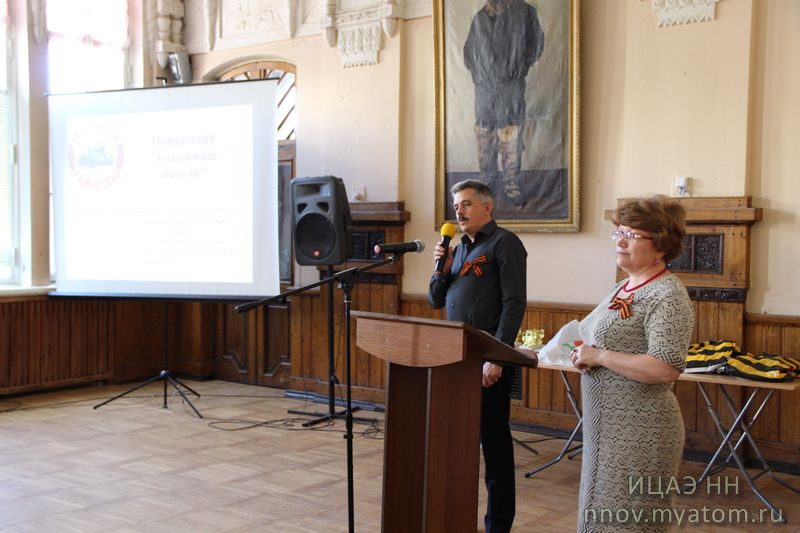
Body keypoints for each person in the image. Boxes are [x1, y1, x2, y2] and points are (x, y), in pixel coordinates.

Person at [569, 196, 695, 532]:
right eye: (619, 232)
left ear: (661, 247)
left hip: (642, 432)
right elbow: (604, 342)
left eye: (633, 235)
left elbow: (665, 368)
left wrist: (600, 357)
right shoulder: (623, 287)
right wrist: (584, 354)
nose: (621, 241)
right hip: (607, 430)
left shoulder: (667, 294)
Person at [428, 179, 527, 533]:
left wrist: (498, 358)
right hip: (455, 358)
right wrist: (442, 267)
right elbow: (435, 301)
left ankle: (498, 525)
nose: (459, 210)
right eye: (457, 205)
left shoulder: (505, 244)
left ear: (488, 207)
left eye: (466, 204)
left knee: (494, 445)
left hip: (488, 361)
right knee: (457, 441)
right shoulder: (457, 249)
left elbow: (514, 304)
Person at [463, 0, 545, 204]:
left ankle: (511, 184)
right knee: (485, 134)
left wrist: (518, 68)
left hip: (511, 87)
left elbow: (536, 44)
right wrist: (481, 77)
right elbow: (468, 53)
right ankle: (486, 187)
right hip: (485, 89)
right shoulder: (480, 18)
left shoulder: (525, 12)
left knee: (511, 134)